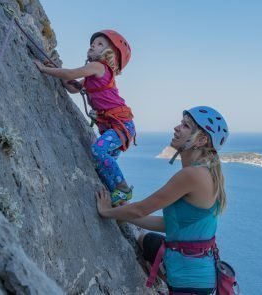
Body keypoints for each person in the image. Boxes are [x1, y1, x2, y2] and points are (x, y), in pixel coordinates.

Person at [96, 106, 229, 295]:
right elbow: (168, 224)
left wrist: (106, 212)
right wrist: (124, 211)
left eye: (185, 126)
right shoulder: (204, 172)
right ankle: (163, 273)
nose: (176, 128)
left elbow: (141, 209)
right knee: (144, 239)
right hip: (198, 270)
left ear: (201, 140)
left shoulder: (192, 175)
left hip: (190, 285)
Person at [35, 30, 135, 206]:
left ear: (108, 53)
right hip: (117, 127)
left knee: (98, 151)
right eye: (93, 42)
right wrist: (54, 68)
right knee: (100, 166)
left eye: (99, 44)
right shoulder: (93, 76)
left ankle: (124, 188)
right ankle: (116, 198)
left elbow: (71, 74)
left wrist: (45, 69)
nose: (92, 45)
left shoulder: (99, 66)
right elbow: (73, 87)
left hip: (121, 125)